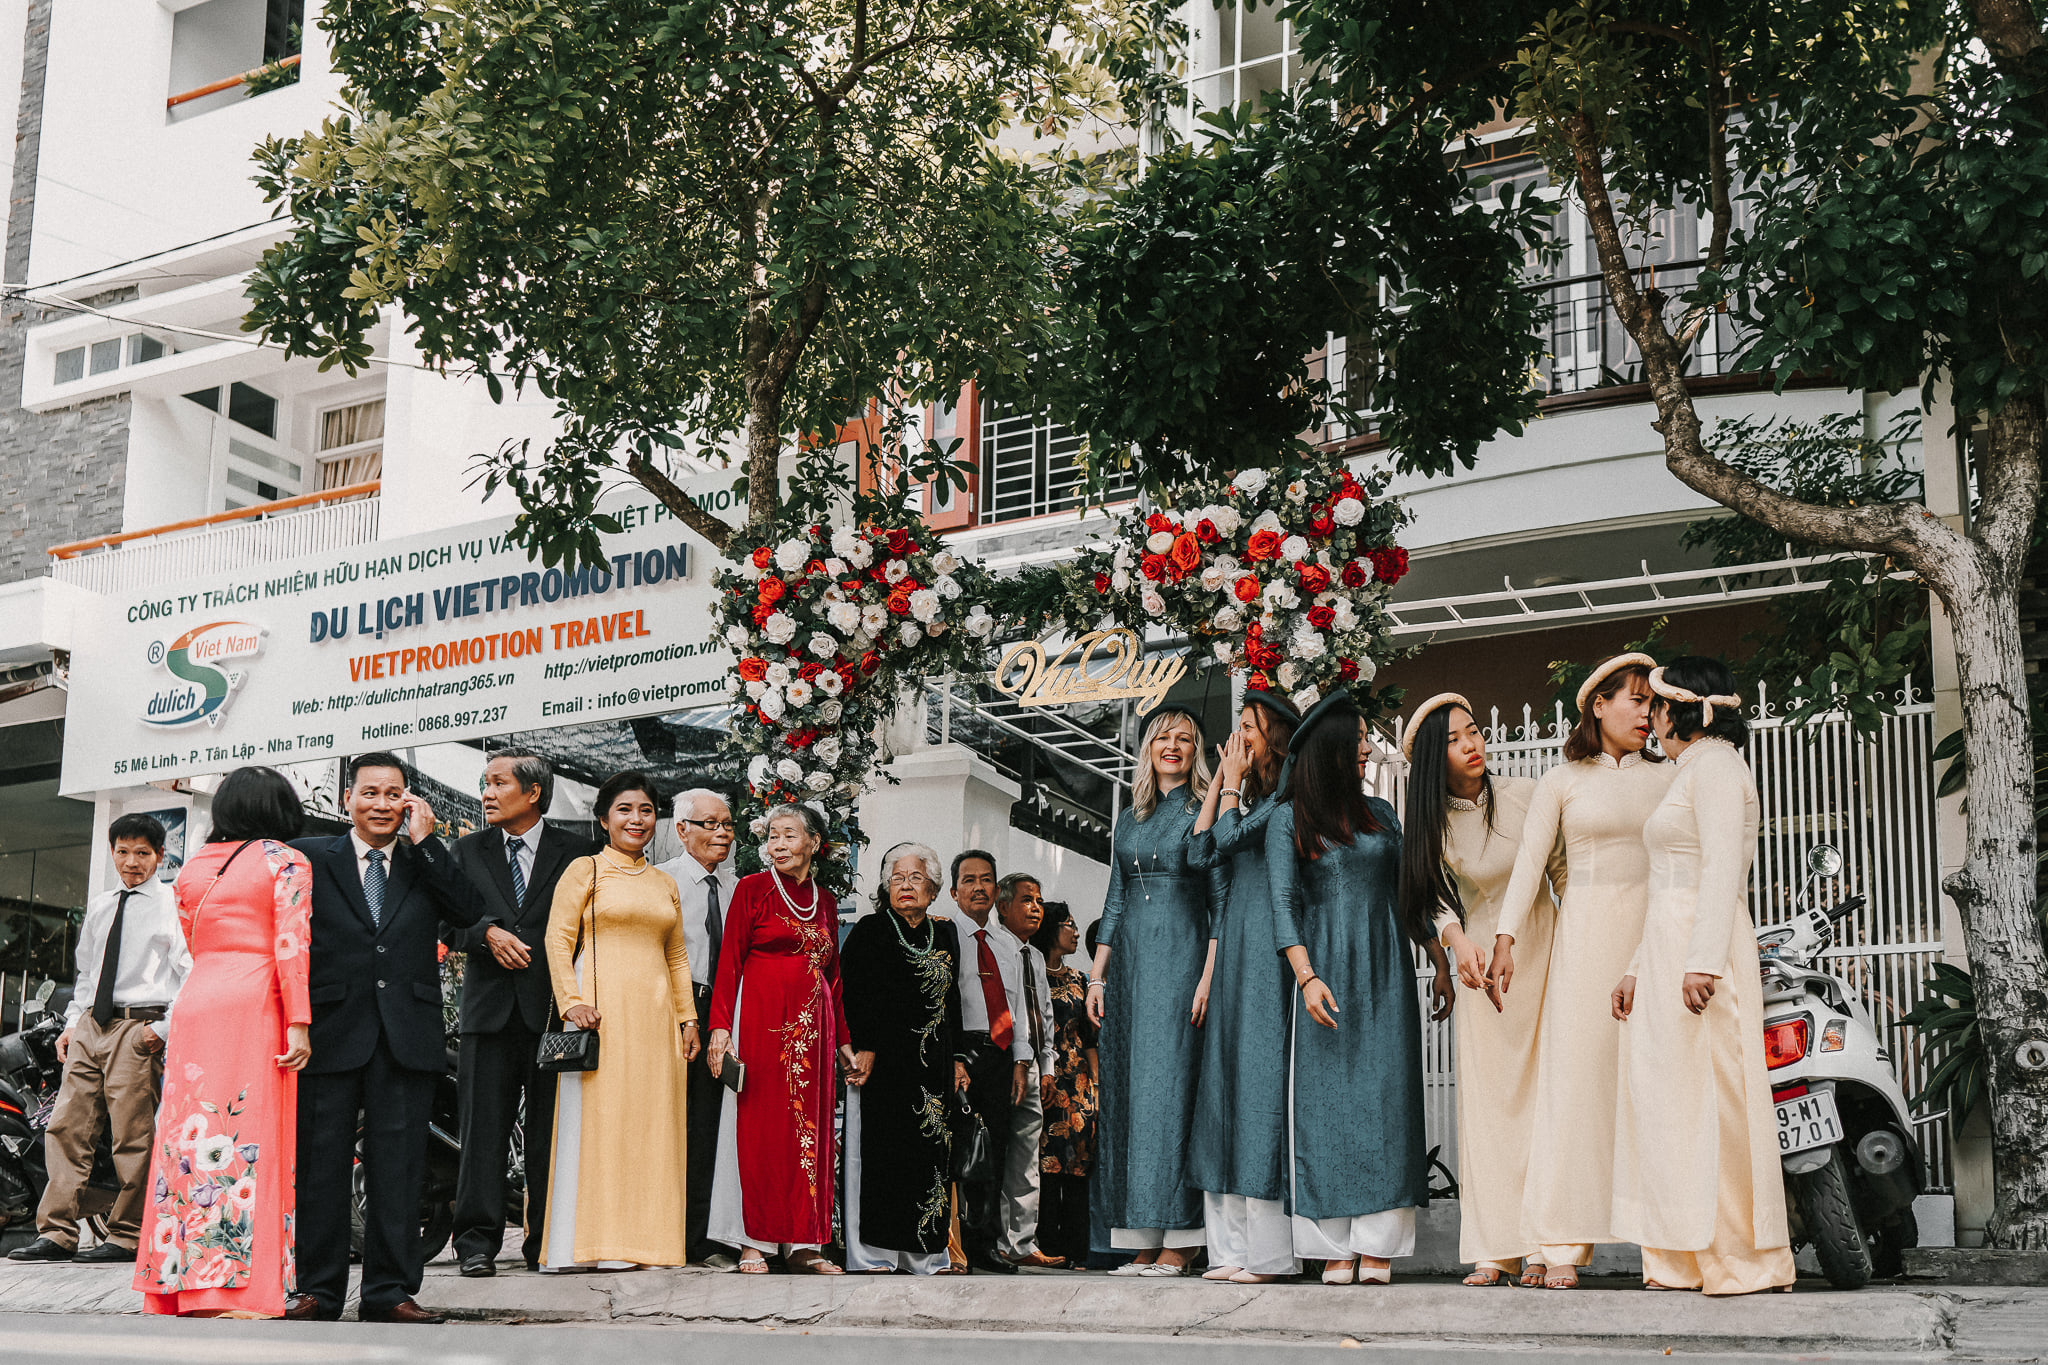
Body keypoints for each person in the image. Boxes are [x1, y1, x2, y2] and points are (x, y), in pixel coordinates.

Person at [1490, 653, 1673, 1289]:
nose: (1648, 713)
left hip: (1654, 938)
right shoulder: (1562, 780)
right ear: (1598, 704)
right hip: (1585, 940)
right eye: (1636, 700)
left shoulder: (1669, 775)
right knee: (1576, 1088)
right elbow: (1531, 863)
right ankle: (1561, 1243)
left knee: (1653, 1087)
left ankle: (1665, 1249)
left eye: (1653, 703)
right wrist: (1506, 936)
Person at [1612, 658, 1795, 1295]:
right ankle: (1681, 1255)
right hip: (1667, 947)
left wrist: (1703, 962)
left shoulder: (1716, 764)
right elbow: (1665, 882)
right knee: (1671, 1104)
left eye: (1654, 702)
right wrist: (1638, 968)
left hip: (1701, 950)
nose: (1648, 714)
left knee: (1715, 1102)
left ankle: (1737, 1257)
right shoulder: (1687, 771)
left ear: (1679, 708)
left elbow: (1721, 870)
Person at [291, 752, 486, 1324]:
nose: (382, 804)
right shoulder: (309, 857)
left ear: (410, 801)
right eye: (370, 792)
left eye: (394, 793)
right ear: (348, 797)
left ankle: (389, 1292)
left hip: (407, 1034)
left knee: (399, 1168)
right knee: (322, 1166)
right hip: (328, 1033)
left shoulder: (427, 860)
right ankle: (317, 1292)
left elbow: (470, 911)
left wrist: (427, 845)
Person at [1266, 691, 1437, 1286]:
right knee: (1325, 1104)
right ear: (1333, 748)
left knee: (1385, 1101)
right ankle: (1333, 1243)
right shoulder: (1289, 817)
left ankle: (1379, 1245)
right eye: (1360, 738)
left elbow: (1408, 895)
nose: (1367, 748)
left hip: (1386, 969)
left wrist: (1437, 957)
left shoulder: (1383, 816)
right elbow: (1282, 901)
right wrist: (1305, 976)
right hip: (1324, 972)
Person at [132, 768, 311, 1318]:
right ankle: (240, 1289)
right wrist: (299, 1020)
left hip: (197, 1000)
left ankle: (176, 1287)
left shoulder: (193, 867)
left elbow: (193, 939)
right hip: (255, 1000)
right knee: (249, 1137)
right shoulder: (285, 860)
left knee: (186, 1143)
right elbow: (290, 943)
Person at [1400, 693, 1565, 1288]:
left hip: (1542, 954)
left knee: (1550, 1101)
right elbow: (1434, 894)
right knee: (1492, 1107)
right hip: (1481, 969)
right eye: (1454, 739)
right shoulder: (1430, 825)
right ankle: (1497, 1247)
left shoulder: (1527, 794)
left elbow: (1563, 872)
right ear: (1429, 760)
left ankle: (1551, 1243)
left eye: (1474, 732)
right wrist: (1454, 940)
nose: (1473, 744)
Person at [539, 770, 700, 1271]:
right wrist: (571, 1003)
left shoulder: (665, 882)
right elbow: (557, 940)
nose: (637, 819)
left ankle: (649, 1243)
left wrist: (687, 1019)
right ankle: (592, 1244)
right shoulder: (585, 869)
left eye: (646, 810)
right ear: (604, 818)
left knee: (653, 1124)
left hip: (656, 1018)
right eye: (625, 809)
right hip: (598, 1013)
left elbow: (676, 956)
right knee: (601, 1121)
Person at [10, 815, 187, 1267]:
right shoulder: (102, 904)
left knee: (132, 1136)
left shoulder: (173, 904)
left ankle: (127, 1235)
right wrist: (73, 1024)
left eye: (143, 853)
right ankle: (56, 1233)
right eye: (123, 852)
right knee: (66, 1128)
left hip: (138, 1028)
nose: (131, 863)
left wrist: (161, 1031)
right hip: (91, 1025)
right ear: (112, 852)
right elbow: (88, 973)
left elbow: (191, 974)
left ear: (160, 857)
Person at [447, 747, 594, 1276]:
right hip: (487, 1014)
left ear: (533, 792)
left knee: (551, 1135)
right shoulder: (465, 851)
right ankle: (477, 1245)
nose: (485, 793)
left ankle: (545, 1242)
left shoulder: (579, 852)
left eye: (497, 783)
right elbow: (444, 920)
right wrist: (485, 933)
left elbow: (589, 929)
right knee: (482, 1132)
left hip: (554, 1014)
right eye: (483, 783)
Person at [1088, 705, 1220, 1276]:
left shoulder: (1200, 808)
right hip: (1131, 972)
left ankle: (1183, 1239)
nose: (1174, 745)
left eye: (1185, 739)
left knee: (1171, 1095)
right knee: (1131, 1097)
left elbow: (1219, 896)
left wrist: (1209, 975)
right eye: (1163, 737)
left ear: (1196, 752)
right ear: (1147, 748)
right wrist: (1097, 975)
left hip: (1183, 960)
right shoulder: (1129, 817)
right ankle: (1142, 1236)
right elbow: (1114, 901)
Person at [706, 803, 854, 1274]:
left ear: (814, 843)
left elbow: (834, 978)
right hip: (762, 1020)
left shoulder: (826, 902)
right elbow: (728, 961)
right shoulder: (752, 890)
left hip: (814, 1028)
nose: (778, 844)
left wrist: (844, 1040)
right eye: (772, 836)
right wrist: (721, 1028)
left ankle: (805, 1242)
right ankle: (756, 1241)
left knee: (809, 1132)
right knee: (762, 1128)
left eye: (790, 835)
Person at [1188, 688, 1301, 1283]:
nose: (1239, 738)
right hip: (1232, 948)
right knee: (1223, 1091)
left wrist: (1230, 784)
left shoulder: (1285, 798)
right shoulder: (1248, 798)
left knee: (1258, 1087)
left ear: (1275, 735)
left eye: (1249, 727)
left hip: (1267, 951)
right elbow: (1197, 850)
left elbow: (1228, 840)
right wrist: (1220, 783)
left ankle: (1267, 1253)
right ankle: (1227, 1249)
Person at [839, 842, 961, 1274]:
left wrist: (960, 1057)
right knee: (884, 1155)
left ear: (933, 888)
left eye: (915, 878)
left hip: (934, 1067)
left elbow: (953, 1000)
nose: (905, 886)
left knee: (929, 1157)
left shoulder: (945, 933)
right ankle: (876, 1254)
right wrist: (864, 1046)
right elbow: (854, 995)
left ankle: (924, 1255)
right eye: (896, 878)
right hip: (883, 1066)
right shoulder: (870, 930)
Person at [653, 788, 740, 1266]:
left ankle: (702, 1237)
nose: (722, 832)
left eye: (727, 823)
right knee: (667, 1121)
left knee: (709, 1124)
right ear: (681, 828)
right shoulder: (660, 881)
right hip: (671, 1009)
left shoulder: (737, 887)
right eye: (710, 823)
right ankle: (662, 1231)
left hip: (721, 1015)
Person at [942, 848, 1032, 1275]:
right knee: (959, 1151)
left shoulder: (1007, 946)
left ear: (996, 890)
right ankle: (952, 1243)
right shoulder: (944, 936)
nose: (978, 887)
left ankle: (987, 1242)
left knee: (993, 1150)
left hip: (999, 1054)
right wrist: (953, 1056)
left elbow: (1019, 1007)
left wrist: (1021, 1061)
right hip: (962, 1052)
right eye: (969, 880)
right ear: (955, 891)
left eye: (985, 880)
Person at [994, 871, 1060, 1268]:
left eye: (1038, 901)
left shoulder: (1034, 955)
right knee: (996, 1152)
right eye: (1026, 900)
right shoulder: (995, 947)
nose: (1036, 908)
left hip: (1034, 1065)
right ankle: (993, 1240)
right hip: (1002, 1062)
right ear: (1003, 907)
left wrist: (1047, 1065)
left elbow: (1044, 1015)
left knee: (1027, 1157)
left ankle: (1022, 1242)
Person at [1029, 900, 1096, 1269]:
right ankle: (1049, 1246)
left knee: (1079, 1166)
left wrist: (1096, 1086)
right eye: (1068, 924)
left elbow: (1089, 1038)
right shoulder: (1032, 971)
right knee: (1046, 1166)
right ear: (1052, 930)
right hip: (1045, 1080)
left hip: (1079, 1083)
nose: (1074, 931)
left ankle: (1078, 1252)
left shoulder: (1079, 980)